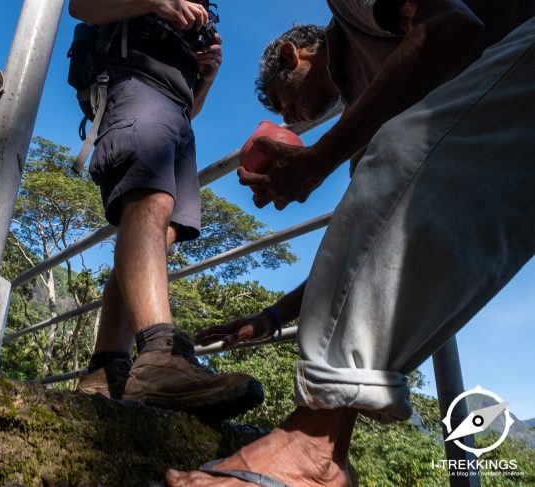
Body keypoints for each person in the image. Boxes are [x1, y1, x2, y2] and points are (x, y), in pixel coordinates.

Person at [166, 0, 535, 484]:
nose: (290, 117)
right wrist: (273, 316)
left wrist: (321, 157)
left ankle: (311, 449)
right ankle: (325, 451)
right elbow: (369, 239)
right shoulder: (370, 110)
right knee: (388, 183)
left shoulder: (351, 10)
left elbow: (452, 26)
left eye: (283, 101)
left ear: (294, 57)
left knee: (396, 155)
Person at [67, 0, 264, 419]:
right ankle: (160, 354)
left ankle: (107, 369)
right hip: (133, 86)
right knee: (149, 204)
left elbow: (191, 106)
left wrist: (206, 77)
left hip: (177, 112)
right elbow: (80, 7)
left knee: (165, 232)